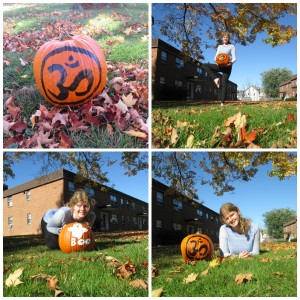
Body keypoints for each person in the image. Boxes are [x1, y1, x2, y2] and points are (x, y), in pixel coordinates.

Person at [202, 32, 236, 106]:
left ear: (228, 38)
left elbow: (234, 58)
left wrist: (230, 63)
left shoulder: (231, 46)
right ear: (222, 38)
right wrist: (216, 62)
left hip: (227, 67)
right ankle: (215, 78)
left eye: (226, 37)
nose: (225, 38)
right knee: (205, 65)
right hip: (220, 65)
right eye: (224, 37)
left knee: (224, 84)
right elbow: (215, 57)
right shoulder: (220, 47)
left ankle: (222, 102)